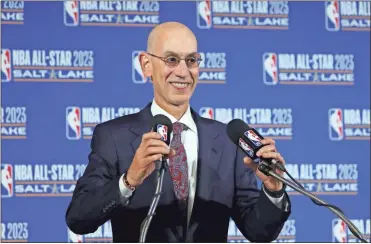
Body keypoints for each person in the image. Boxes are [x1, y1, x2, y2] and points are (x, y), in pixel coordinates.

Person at [65, 21, 291, 243]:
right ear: (146, 65)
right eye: (171, 59)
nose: (183, 72)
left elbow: (260, 232)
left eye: (191, 60)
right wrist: (129, 180)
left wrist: (273, 190)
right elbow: (79, 218)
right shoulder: (114, 137)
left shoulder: (226, 141)